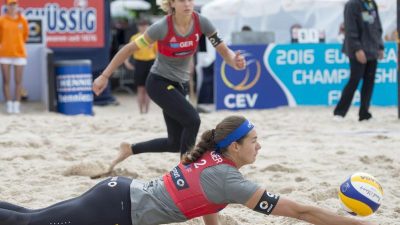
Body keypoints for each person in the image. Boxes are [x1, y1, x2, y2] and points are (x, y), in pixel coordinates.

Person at [0, 115, 377, 225]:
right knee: (27, 223)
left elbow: (205, 201)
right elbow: (302, 211)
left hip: (116, 194)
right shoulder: (231, 179)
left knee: (33, 214)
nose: (260, 146)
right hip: (111, 208)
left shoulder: (212, 162)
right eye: (254, 140)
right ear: (234, 147)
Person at [92, 0, 246, 163]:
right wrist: (105, 76)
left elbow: (223, 50)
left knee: (174, 143)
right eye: (181, 1)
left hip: (180, 85)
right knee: (193, 120)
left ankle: (130, 149)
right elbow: (128, 49)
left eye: (190, 0)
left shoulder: (201, 22)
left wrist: (233, 61)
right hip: (159, 83)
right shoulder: (162, 27)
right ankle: (186, 169)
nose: (187, 4)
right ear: (171, 4)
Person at [333, 0, 384, 121]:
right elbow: (350, 29)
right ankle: (339, 112)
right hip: (358, 49)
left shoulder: (371, 3)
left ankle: (364, 113)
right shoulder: (352, 4)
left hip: (372, 48)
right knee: (354, 80)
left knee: (369, 82)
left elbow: (377, 25)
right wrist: (357, 49)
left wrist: (380, 46)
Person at [0, 0, 29, 114]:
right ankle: (9, 104)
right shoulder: (2, 20)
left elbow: (25, 35)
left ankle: (17, 104)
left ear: (17, 6)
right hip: (5, 54)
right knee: (6, 80)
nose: (13, 6)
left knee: (18, 81)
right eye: (10, 4)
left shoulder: (22, 20)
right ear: (6, 6)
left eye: (14, 4)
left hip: (19, 54)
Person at [124, 19, 157, 114]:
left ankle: (147, 111)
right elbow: (128, 51)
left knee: (148, 89)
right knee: (140, 88)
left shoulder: (152, 37)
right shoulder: (134, 38)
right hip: (139, 63)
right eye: (141, 25)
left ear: (148, 26)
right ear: (138, 27)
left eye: (145, 25)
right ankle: (141, 111)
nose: (143, 27)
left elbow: (157, 53)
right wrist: (126, 62)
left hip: (151, 62)